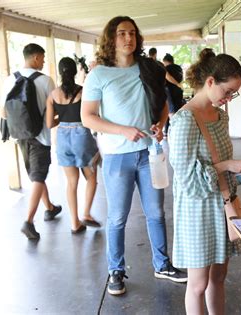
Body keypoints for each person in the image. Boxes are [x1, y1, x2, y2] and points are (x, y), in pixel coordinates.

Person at [81, 16, 187, 296]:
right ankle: (116, 271)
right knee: (117, 217)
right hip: (117, 156)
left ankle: (162, 265)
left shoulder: (149, 68)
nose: (128, 38)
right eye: (121, 33)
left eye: (132, 33)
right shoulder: (99, 74)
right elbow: (87, 117)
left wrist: (160, 125)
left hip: (150, 152)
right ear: (111, 39)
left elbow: (163, 103)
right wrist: (122, 130)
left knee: (156, 213)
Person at [169, 53, 241, 314]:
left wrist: (239, 173)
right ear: (209, 81)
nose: (229, 99)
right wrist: (228, 166)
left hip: (221, 204)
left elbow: (220, 162)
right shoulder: (184, 120)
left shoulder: (221, 117)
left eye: (234, 94)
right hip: (197, 210)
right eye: (228, 91)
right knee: (198, 284)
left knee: (218, 277)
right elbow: (186, 179)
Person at [2, 43, 62, 240]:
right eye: (43, 58)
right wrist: (59, 121)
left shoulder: (9, 79)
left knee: (37, 175)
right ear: (36, 57)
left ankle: (50, 207)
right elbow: (52, 115)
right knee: (38, 177)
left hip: (20, 135)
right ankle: (28, 221)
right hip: (40, 137)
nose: (44, 62)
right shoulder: (46, 81)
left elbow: (3, 111)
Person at [45, 57, 100, 234]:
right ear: (75, 72)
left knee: (71, 182)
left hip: (62, 139)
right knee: (91, 177)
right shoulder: (83, 92)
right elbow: (92, 115)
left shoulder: (53, 95)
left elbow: (49, 124)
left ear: (60, 72)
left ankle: (74, 223)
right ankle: (86, 214)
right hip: (81, 138)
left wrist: (62, 117)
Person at [162, 53, 184, 133]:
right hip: (178, 91)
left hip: (170, 92)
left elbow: (167, 78)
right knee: (178, 110)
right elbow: (181, 79)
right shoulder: (179, 68)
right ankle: (179, 129)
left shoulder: (166, 68)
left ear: (165, 61)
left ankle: (169, 131)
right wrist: (178, 85)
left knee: (170, 112)